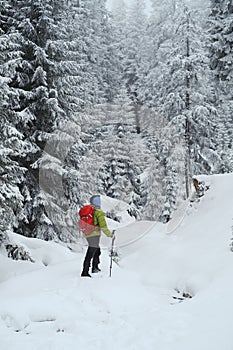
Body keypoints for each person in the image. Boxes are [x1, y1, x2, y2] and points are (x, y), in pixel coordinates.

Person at [81, 195, 113, 277]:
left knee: (97, 250)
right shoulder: (98, 212)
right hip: (94, 235)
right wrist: (110, 235)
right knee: (90, 252)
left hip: (88, 234)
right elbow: (103, 226)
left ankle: (95, 267)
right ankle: (85, 272)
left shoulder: (90, 211)